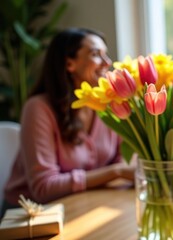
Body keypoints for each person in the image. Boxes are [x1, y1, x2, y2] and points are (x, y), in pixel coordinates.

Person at [1, 28, 135, 215]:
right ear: (69, 63)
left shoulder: (108, 103)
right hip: (31, 215)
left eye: (106, 54)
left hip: (86, 202)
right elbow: (44, 188)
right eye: (96, 54)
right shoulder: (38, 108)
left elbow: (124, 159)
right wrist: (115, 172)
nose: (107, 63)